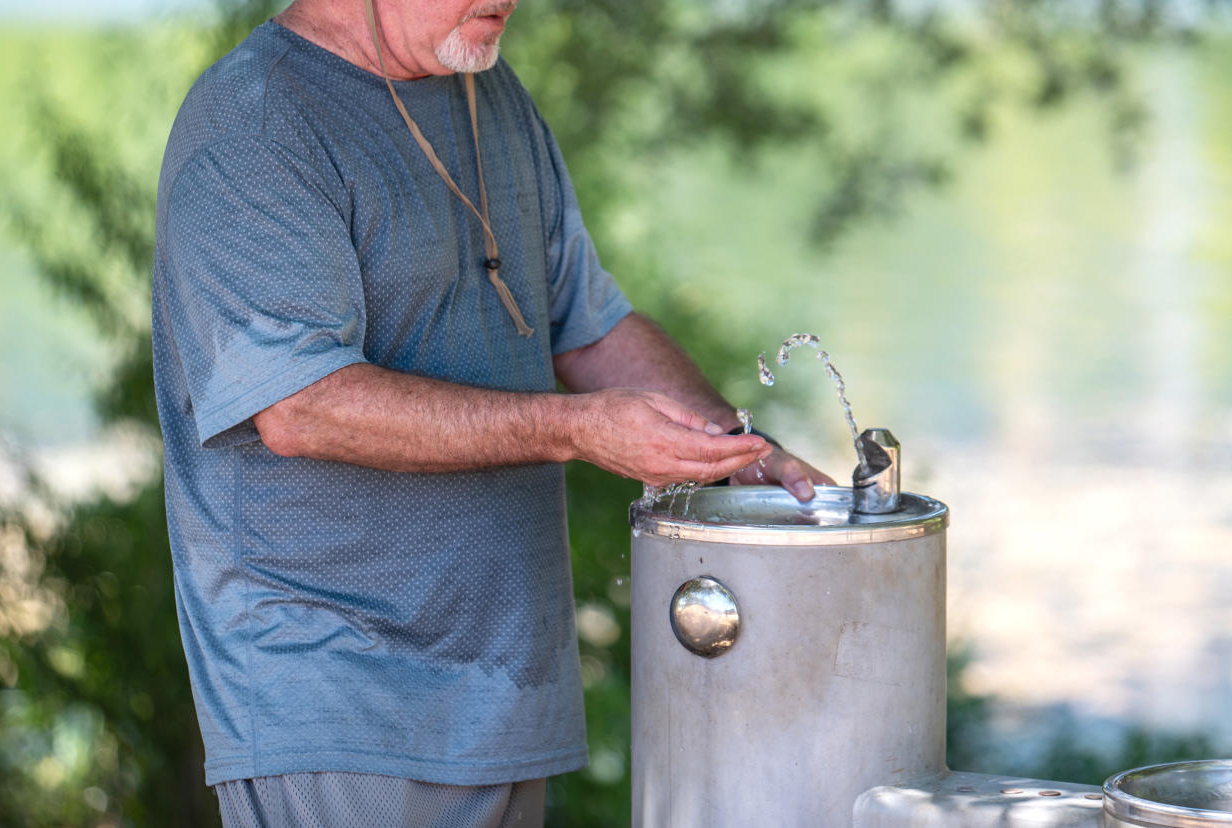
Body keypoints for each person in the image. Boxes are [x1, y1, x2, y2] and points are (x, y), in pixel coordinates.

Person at [151, 0, 834, 825]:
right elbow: (304, 406)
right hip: (338, 703)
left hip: (505, 695)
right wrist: (576, 429)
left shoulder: (490, 92)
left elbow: (588, 325)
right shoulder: (253, 122)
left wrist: (733, 451)